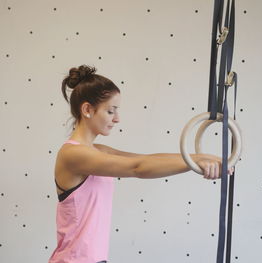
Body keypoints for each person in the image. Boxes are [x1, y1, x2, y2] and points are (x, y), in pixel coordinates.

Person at [48, 65, 232, 263]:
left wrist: (200, 158)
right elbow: (138, 168)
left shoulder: (99, 151)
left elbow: (147, 158)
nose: (117, 119)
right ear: (87, 110)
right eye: (111, 111)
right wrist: (194, 161)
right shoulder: (72, 154)